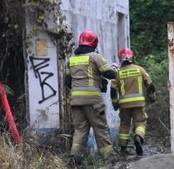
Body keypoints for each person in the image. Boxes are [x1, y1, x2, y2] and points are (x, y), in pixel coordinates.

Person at [65, 29, 118, 166]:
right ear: (94, 43)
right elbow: (109, 74)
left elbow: (67, 82)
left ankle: (74, 158)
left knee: (80, 130)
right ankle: (109, 159)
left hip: (76, 101)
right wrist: (115, 69)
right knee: (100, 128)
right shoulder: (95, 57)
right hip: (93, 101)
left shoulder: (71, 60)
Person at [111, 48, 156, 158]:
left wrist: (115, 103)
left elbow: (112, 90)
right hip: (139, 104)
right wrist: (152, 97)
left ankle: (123, 149)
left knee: (124, 125)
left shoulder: (118, 73)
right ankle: (138, 137)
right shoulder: (140, 70)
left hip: (124, 105)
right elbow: (150, 85)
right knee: (140, 122)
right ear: (132, 57)